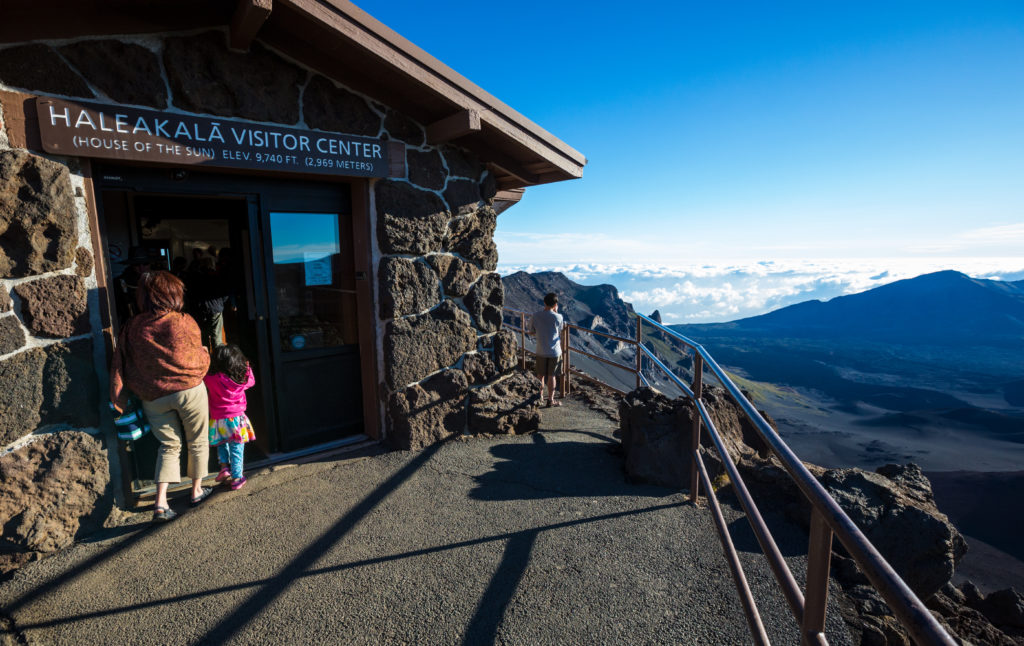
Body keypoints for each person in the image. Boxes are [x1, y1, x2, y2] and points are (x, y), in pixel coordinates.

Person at [110, 271, 212, 522]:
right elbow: (197, 356)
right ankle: (197, 491)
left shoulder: (133, 326)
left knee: (168, 445)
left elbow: (127, 362)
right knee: (197, 441)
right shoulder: (182, 321)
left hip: (153, 396)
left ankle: (160, 503)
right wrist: (207, 356)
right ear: (173, 293)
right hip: (189, 391)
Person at [204, 344, 256, 491]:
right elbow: (252, 380)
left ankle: (224, 468)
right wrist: (246, 367)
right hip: (236, 419)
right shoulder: (241, 379)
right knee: (237, 448)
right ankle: (237, 478)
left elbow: (202, 376)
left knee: (222, 443)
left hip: (217, 419)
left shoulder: (211, 378)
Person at [529, 292, 565, 407]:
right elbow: (560, 329)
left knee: (540, 375)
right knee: (552, 375)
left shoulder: (535, 315)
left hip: (541, 349)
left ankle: (539, 397)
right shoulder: (558, 317)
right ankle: (550, 399)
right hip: (555, 351)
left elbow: (531, 331)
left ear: (544, 302)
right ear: (555, 304)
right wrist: (556, 312)